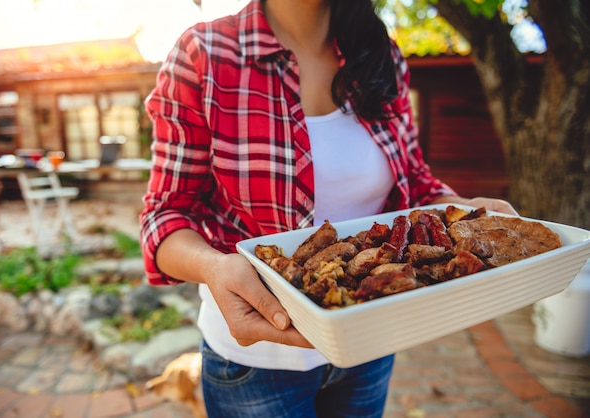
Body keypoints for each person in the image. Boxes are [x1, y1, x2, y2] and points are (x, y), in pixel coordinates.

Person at [140, 0, 518, 416]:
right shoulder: (204, 55)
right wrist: (214, 267)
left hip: (369, 342)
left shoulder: (380, 53)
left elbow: (415, 183)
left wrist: (466, 211)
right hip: (257, 363)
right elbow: (165, 215)